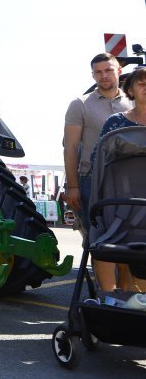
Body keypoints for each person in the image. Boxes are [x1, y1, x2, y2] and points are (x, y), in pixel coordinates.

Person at [64, 52, 131, 292]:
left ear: (119, 71)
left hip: (128, 182)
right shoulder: (80, 104)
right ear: (93, 75)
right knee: (100, 241)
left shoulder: (134, 103)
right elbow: (70, 147)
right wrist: (72, 186)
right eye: (98, 72)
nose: (104, 76)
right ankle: (108, 298)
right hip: (92, 180)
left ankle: (128, 299)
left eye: (108, 70)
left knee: (129, 240)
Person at [91, 66, 146, 293]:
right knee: (102, 239)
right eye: (142, 84)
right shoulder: (116, 123)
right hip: (120, 205)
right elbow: (98, 161)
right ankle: (110, 298)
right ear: (130, 91)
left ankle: (135, 303)